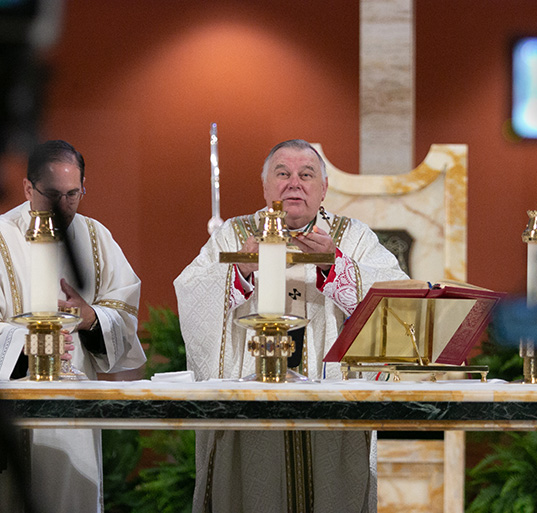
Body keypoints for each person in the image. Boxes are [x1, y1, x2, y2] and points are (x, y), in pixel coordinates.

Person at [174, 139, 408, 513]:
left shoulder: (352, 237)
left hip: (330, 402)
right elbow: (191, 293)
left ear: (324, 188)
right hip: (252, 403)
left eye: (306, 174)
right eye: (282, 174)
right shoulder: (234, 236)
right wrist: (240, 269)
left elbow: (394, 299)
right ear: (266, 186)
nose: (294, 183)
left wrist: (336, 266)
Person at [0, 140, 146, 512]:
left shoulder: (95, 238)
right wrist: (29, 345)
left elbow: (122, 314)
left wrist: (91, 319)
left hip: (76, 407)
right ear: (28, 188)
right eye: (53, 194)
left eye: (74, 194)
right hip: (11, 413)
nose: (63, 206)